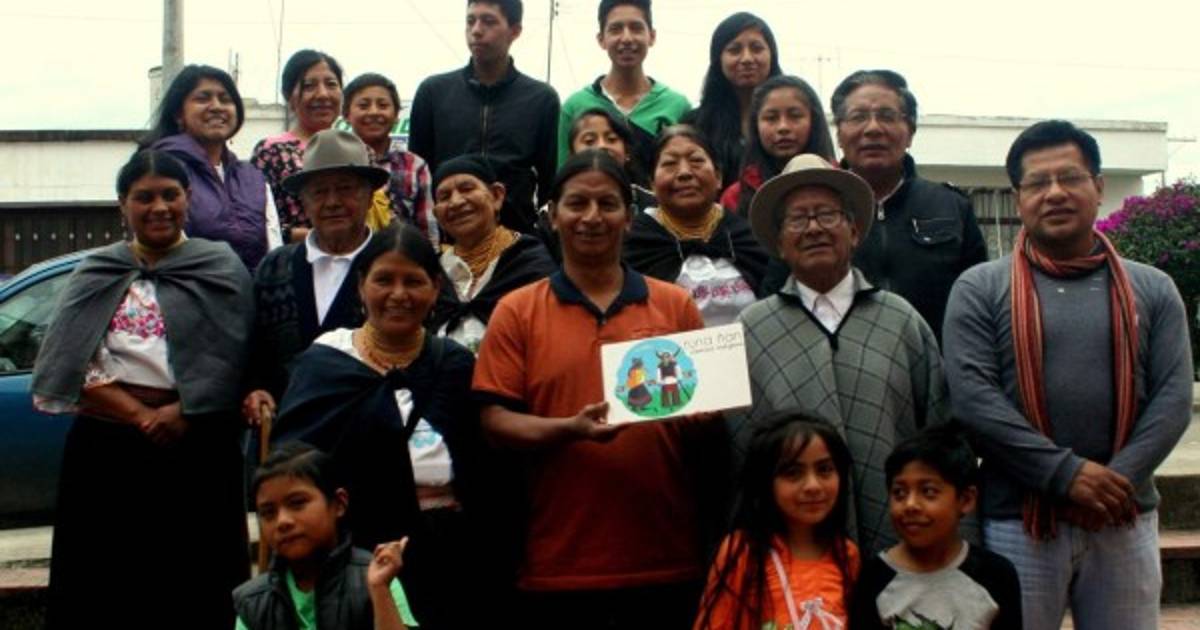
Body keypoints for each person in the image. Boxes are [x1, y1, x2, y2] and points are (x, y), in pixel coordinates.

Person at [943, 120, 1193, 630]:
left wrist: (1113, 484)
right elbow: (974, 400)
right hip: (1020, 520)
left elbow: (1171, 399)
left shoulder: (1153, 288)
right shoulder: (979, 289)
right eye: (1037, 182)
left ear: (1098, 187)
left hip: (1123, 514)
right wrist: (1067, 476)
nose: (1054, 193)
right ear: (1018, 199)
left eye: (1070, 178)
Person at [473, 149, 722, 627]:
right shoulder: (517, 311)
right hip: (556, 564)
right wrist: (570, 429)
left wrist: (703, 417)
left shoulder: (675, 306)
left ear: (629, 217)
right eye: (576, 204)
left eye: (607, 204)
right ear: (553, 215)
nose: (592, 217)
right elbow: (494, 421)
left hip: (668, 559)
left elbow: (705, 426)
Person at [31, 150, 254, 629]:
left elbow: (237, 354)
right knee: (108, 581)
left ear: (188, 198)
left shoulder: (220, 266)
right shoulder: (98, 270)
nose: (159, 207)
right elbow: (70, 359)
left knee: (196, 579)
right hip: (108, 449)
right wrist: (141, 415)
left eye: (170, 195)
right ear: (122, 204)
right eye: (144, 197)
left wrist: (184, 410)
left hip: (197, 445)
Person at [270, 223, 491, 627]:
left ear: (435, 288)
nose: (398, 294)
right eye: (384, 280)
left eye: (414, 281)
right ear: (361, 286)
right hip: (355, 560)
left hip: (451, 558)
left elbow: (485, 469)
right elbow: (293, 468)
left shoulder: (455, 366)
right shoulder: (325, 364)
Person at [739, 153, 948, 554]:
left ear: (853, 231)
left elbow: (939, 433)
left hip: (903, 543)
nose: (814, 228)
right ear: (779, 243)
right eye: (797, 219)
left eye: (827, 215)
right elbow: (740, 453)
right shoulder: (752, 329)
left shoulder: (901, 320)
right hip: (792, 551)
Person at [243, 129, 389, 424]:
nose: (332, 202)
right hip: (287, 435)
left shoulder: (392, 266)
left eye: (345, 189)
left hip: (370, 430)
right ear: (304, 201)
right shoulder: (274, 267)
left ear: (369, 196)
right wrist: (255, 389)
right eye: (319, 192)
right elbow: (253, 348)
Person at [831, 69, 987, 341]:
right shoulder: (816, 212)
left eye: (887, 116)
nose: (873, 128)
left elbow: (980, 302)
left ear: (911, 132)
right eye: (858, 117)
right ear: (839, 135)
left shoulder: (951, 207)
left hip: (936, 363)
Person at [695, 413, 859, 630]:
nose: (813, 485)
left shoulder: (846, 554)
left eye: (824, 470)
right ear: (764, 482)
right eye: (793, 473)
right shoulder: (743, 550)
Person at [409, 0, 560, 235]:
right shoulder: (433, 92)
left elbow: (550, 182)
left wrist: (544, 238)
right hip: (447, 238)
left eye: (488, 21)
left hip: (517, 239)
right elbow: (418, 173)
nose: (476, 30)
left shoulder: (541, 99)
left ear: (515, 31)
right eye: (471, 21)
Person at [850, 426, 1022, 630]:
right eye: (899, 493)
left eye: (928, 492)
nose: (910, 505)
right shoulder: (874, 579)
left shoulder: (996, 575)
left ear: (966, 499)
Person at [234, 442, 418, 630]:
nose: (282, 521)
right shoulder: (253, 602)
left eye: (297, 503)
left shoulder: (376, 580)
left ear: (339, 503)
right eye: (268, 512)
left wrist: (380, 591)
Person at [625, 125, 769, 326]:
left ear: (718, 177)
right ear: (652, 183)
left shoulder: (748, 237)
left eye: (696, 161)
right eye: (670, 164)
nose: (684, 173)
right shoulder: (634, 245)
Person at [141, 64, 278, 270]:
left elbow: (274, 252)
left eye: (225, 99)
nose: (216, 107)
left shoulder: (253, 178)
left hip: (253, 289)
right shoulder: (158, 170)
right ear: (179, 114)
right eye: (203, 98)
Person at [428, 154, 555, 354]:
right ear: (437, 214)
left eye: (466, 189)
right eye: (444, 196)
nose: (456, 202)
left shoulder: (532, 265)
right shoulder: (431, 275)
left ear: (497, 196)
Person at [557, 0, 690, 176]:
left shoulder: (677, 106)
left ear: (652, 36)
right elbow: (563, 177)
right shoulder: (575, 106)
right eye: (616, 29)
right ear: (601, 39)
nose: (626, 38)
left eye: (636, 28)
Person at [252, 49, 345, 244]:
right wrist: (323, 236)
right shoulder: (271, 152)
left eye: (331, 84)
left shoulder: (357, 150)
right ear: (289, 96)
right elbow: (260, 223)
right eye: (309, 86)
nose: (323, 94)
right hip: (295, 257)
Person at [682, 12, 782, 189]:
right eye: (735, 50)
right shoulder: (696, 125)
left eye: (757, 48)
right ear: (718, 59)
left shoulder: (791, 119)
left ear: (772, 55)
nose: (747, 59)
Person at [342, 72, 438, 243]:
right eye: (363, 106)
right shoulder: (337, 162)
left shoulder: (415, 166)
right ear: (346, 114)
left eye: (383, 105)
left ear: (396, 115)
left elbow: (428, 232)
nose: (374, 112)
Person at [722, 75, 836, 217]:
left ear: (814, 121)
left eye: (795, 116)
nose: (783, 127)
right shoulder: (735, 197)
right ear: (756, 125)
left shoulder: (842, 182)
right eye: (771, 118)